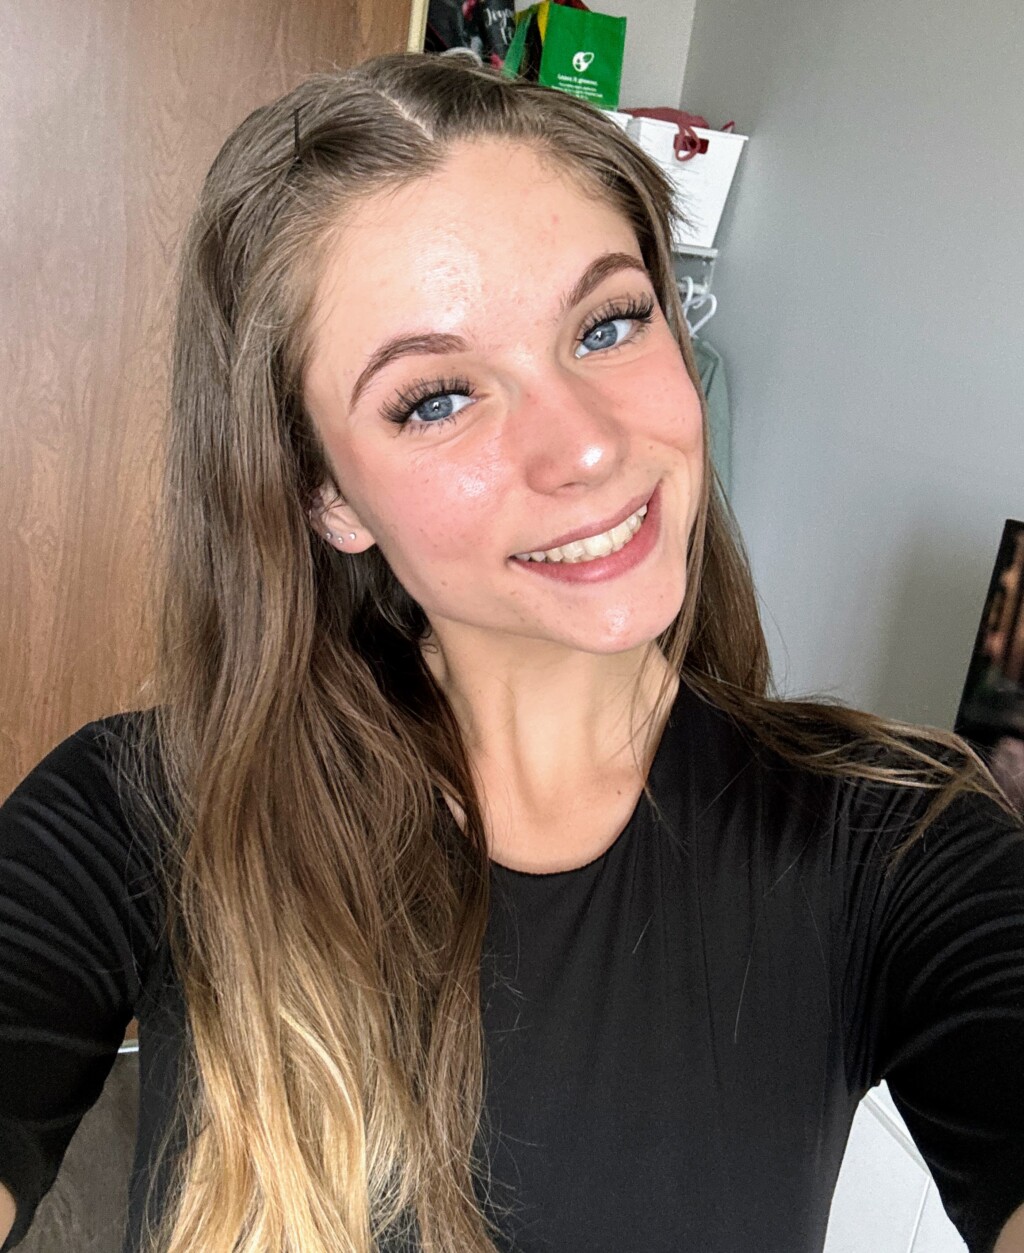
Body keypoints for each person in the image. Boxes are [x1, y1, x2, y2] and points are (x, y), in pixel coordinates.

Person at [1, 50, 1023, 1253]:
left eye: (606, 322)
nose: (585, 447)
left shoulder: (897, 838)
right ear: (326, 495)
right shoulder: (145, 807)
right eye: (435, 397)